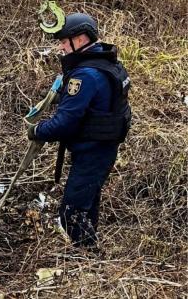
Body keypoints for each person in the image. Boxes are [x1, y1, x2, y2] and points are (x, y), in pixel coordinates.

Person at [28, 13, 132, 248]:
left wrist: (37, 130)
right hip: (102, 148)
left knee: (71, 212)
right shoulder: (107, 61)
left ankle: (89, 259)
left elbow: (65, 122)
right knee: (88, 202)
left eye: (65, 41)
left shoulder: (85, 75)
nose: (62, 46)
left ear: (82, 39)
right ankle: (88, 250)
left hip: (93, 151)